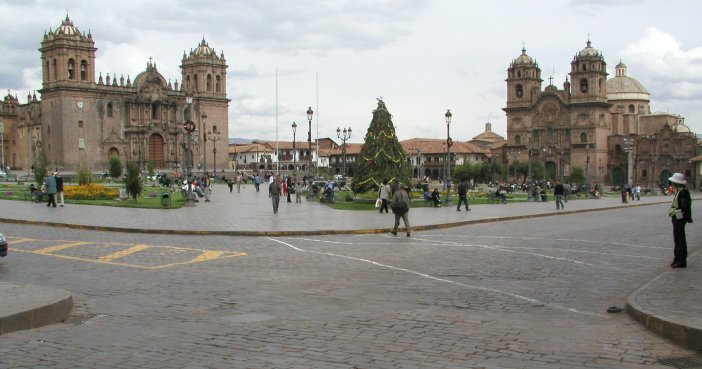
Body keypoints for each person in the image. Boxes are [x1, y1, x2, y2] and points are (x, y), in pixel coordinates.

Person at [668, 173, 692, 268]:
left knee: (680, 240)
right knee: (677, 240)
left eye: (673, 182)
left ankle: (681, 260)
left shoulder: (683, 192)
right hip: (677, 218)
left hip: (679, 219)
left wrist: (680, 217)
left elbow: (683, 207)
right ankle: (677, 258)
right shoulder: (680, 191)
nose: (672, 183)